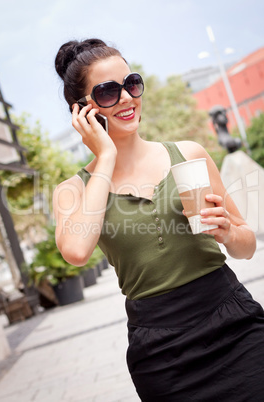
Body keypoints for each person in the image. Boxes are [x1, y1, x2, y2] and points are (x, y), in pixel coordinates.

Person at [53, 38, 264, 401]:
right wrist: (104, 158)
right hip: (161, 352)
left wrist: (228, 232)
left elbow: (247, 247)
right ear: (83, 110)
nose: (126, 98)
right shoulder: (73, 189)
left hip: (234, 324)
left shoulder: (189, 154)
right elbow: (75, 251)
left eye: (131, 84)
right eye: (107, 92)